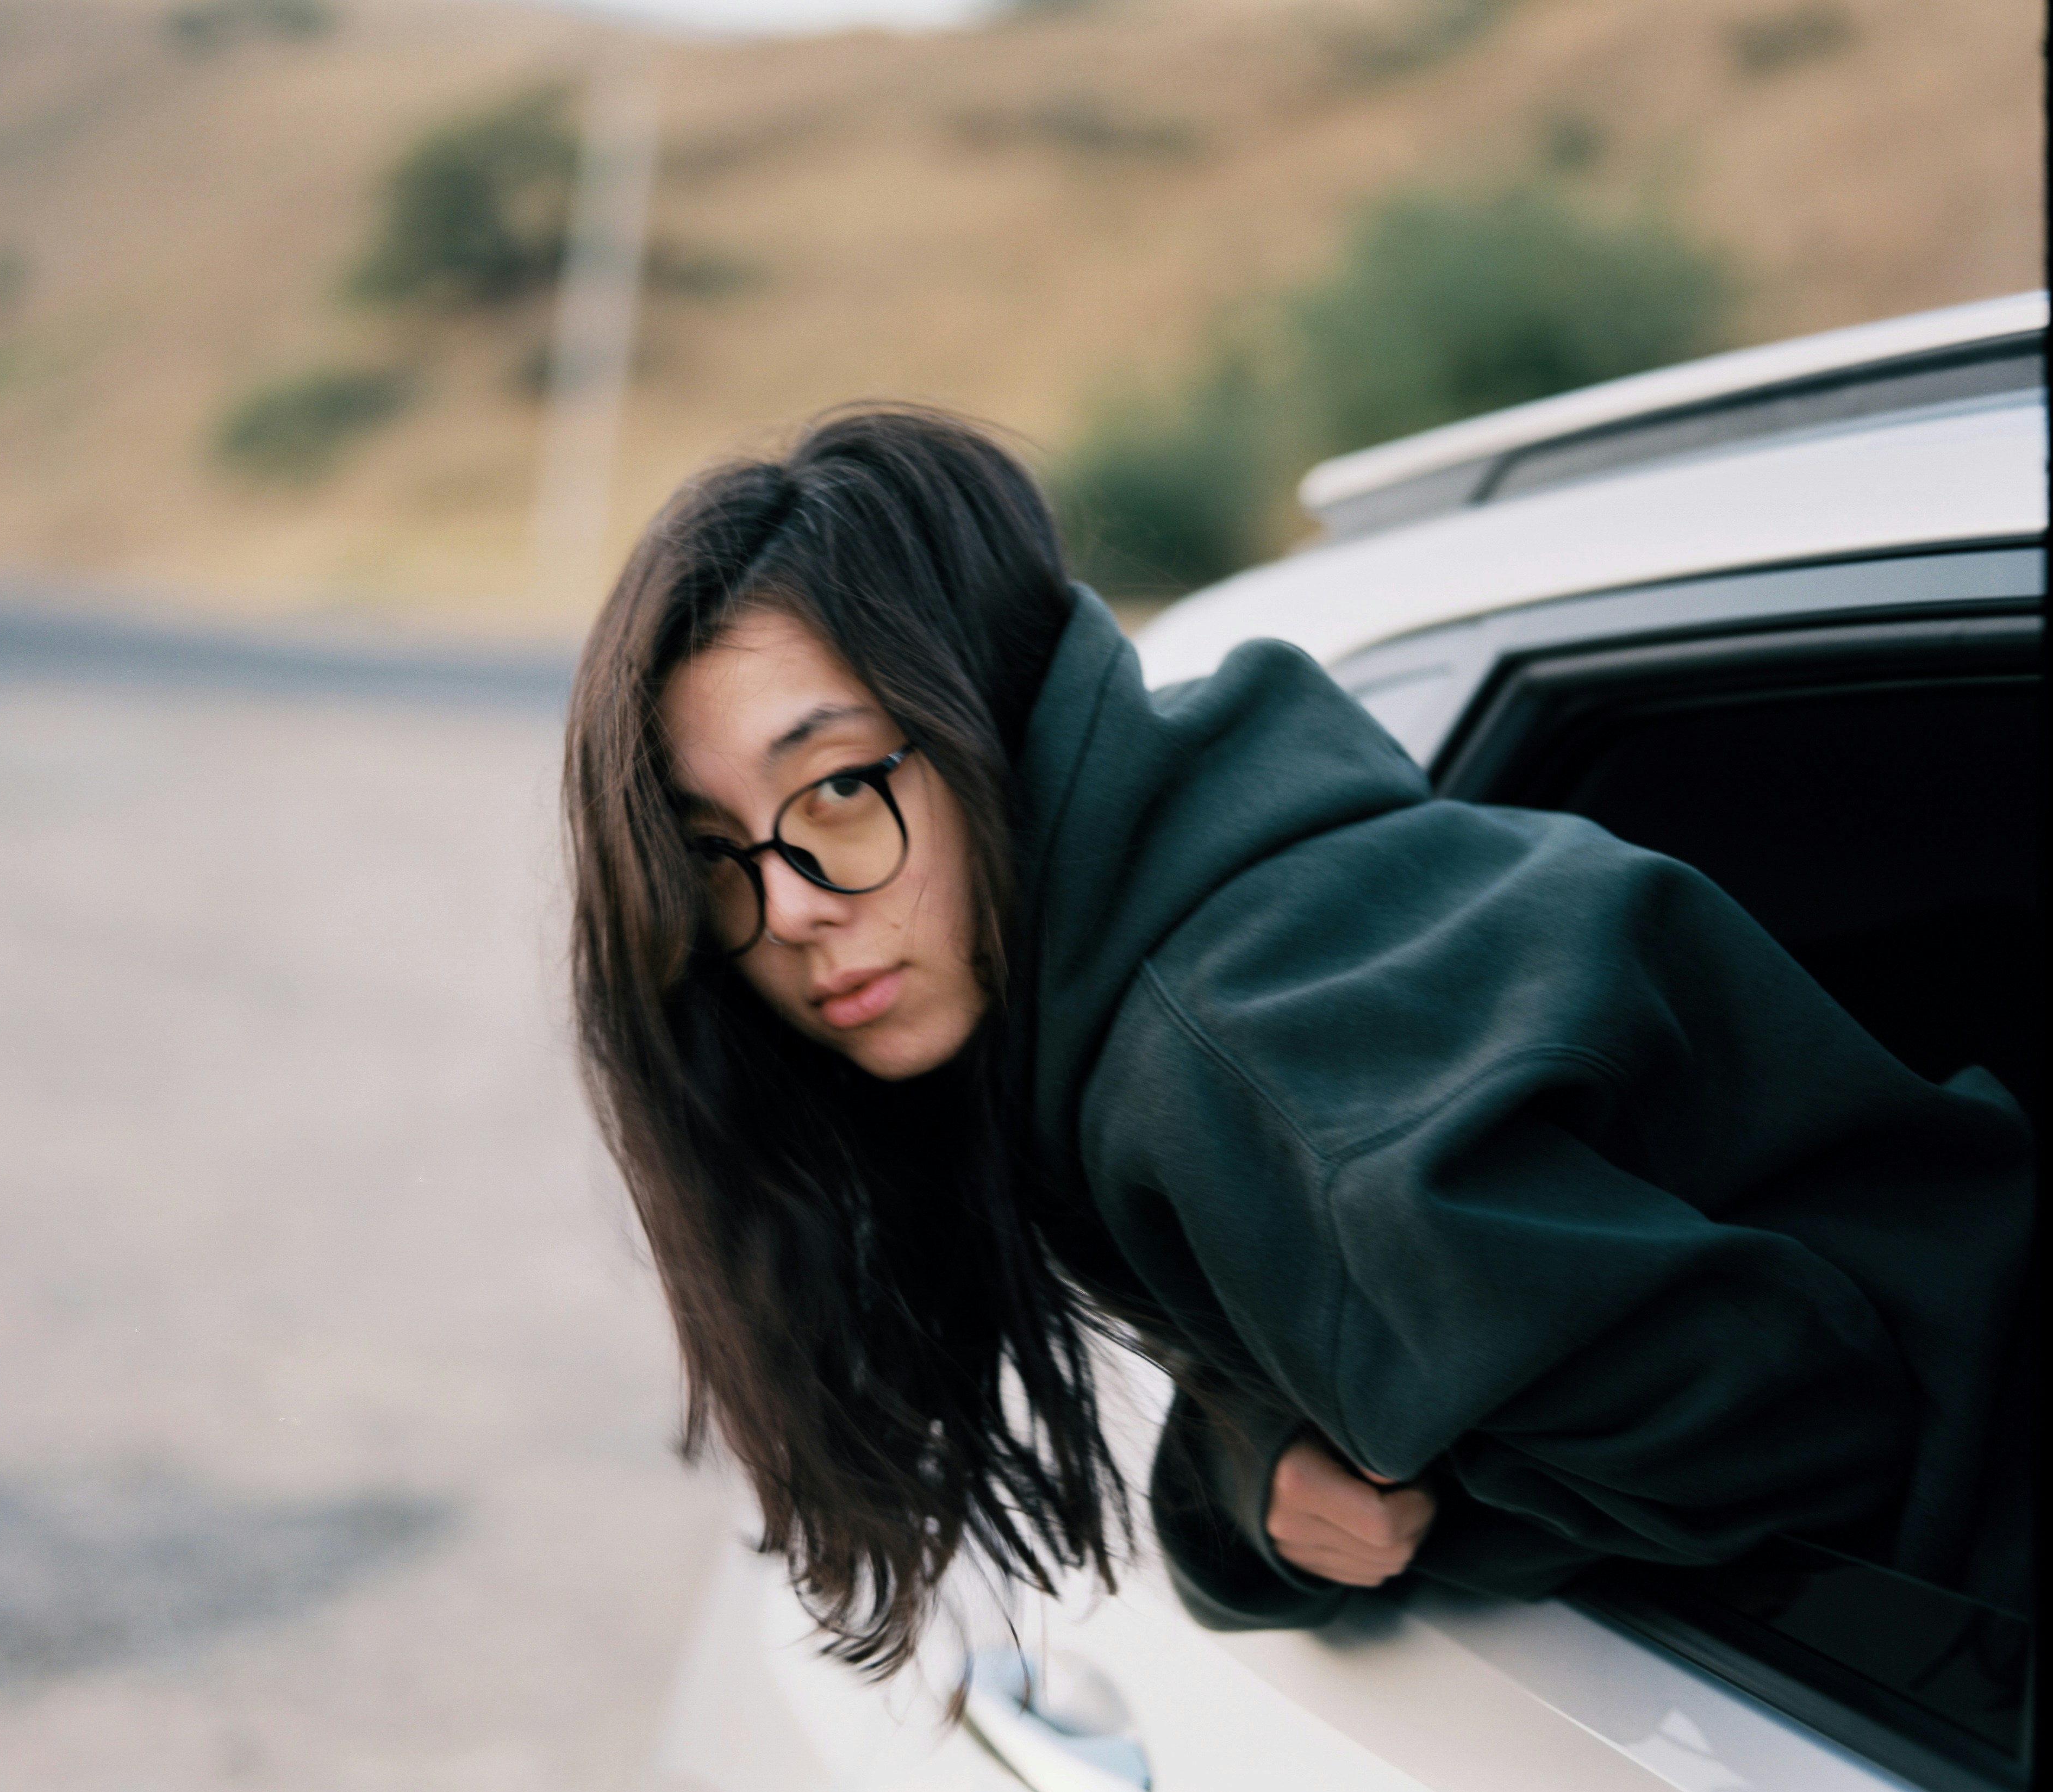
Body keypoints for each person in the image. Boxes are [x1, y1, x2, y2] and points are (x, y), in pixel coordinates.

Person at [562, 405, 2033, 1673]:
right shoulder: (1199, 916)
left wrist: (1421, 1508)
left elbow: (1787, 1432)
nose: (792, 910)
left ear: (983, 723)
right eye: (714, 853)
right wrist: (1259, 1464)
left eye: (831, 788)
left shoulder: (1234, 1054)